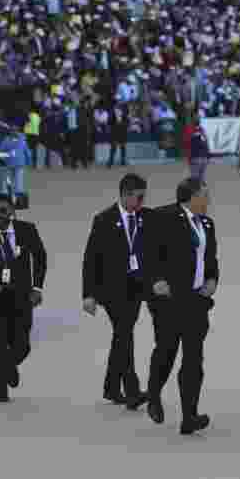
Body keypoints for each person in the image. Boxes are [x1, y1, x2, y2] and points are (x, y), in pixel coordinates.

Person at [144, 178, 219, 435]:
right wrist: (155, 280)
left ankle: (190, 415)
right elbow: (147, 253)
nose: (209, 201)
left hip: (196, 300)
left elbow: (211, 258)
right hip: (169, 299)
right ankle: (153, 394)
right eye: (205, 195)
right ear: (192, 197)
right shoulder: (163, 217)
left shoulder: (207, 224)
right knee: (166, 350)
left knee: (194, 359)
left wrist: (212, 279)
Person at [0, 193, 48, 403]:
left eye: (2, 210)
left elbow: (40, 257)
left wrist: (37, 288)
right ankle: (1, 388)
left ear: (12, 211)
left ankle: (9, 366)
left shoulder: (27, 230)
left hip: (22, 297)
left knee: (22, 345)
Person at [81, 173, 151, 409]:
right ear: (124, 195)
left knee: (122, 335)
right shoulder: (103, 220)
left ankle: (111, 387)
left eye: (143, 197)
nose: (141, 203)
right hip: (111, 290)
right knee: (124, 334)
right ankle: (132, 391)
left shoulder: (145, 217)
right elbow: (90, 259)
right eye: (138, 198)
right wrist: (88, 295)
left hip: (137, 288)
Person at [184, 112, 211, 182]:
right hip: (203, 157)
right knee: (201, 178)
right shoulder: (201, 130)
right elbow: (206, 143)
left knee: (195, 178)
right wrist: (208, 156)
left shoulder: (189, 129)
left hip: (195, 157)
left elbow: (187, 143)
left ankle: (197, 190)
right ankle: (201, 190)